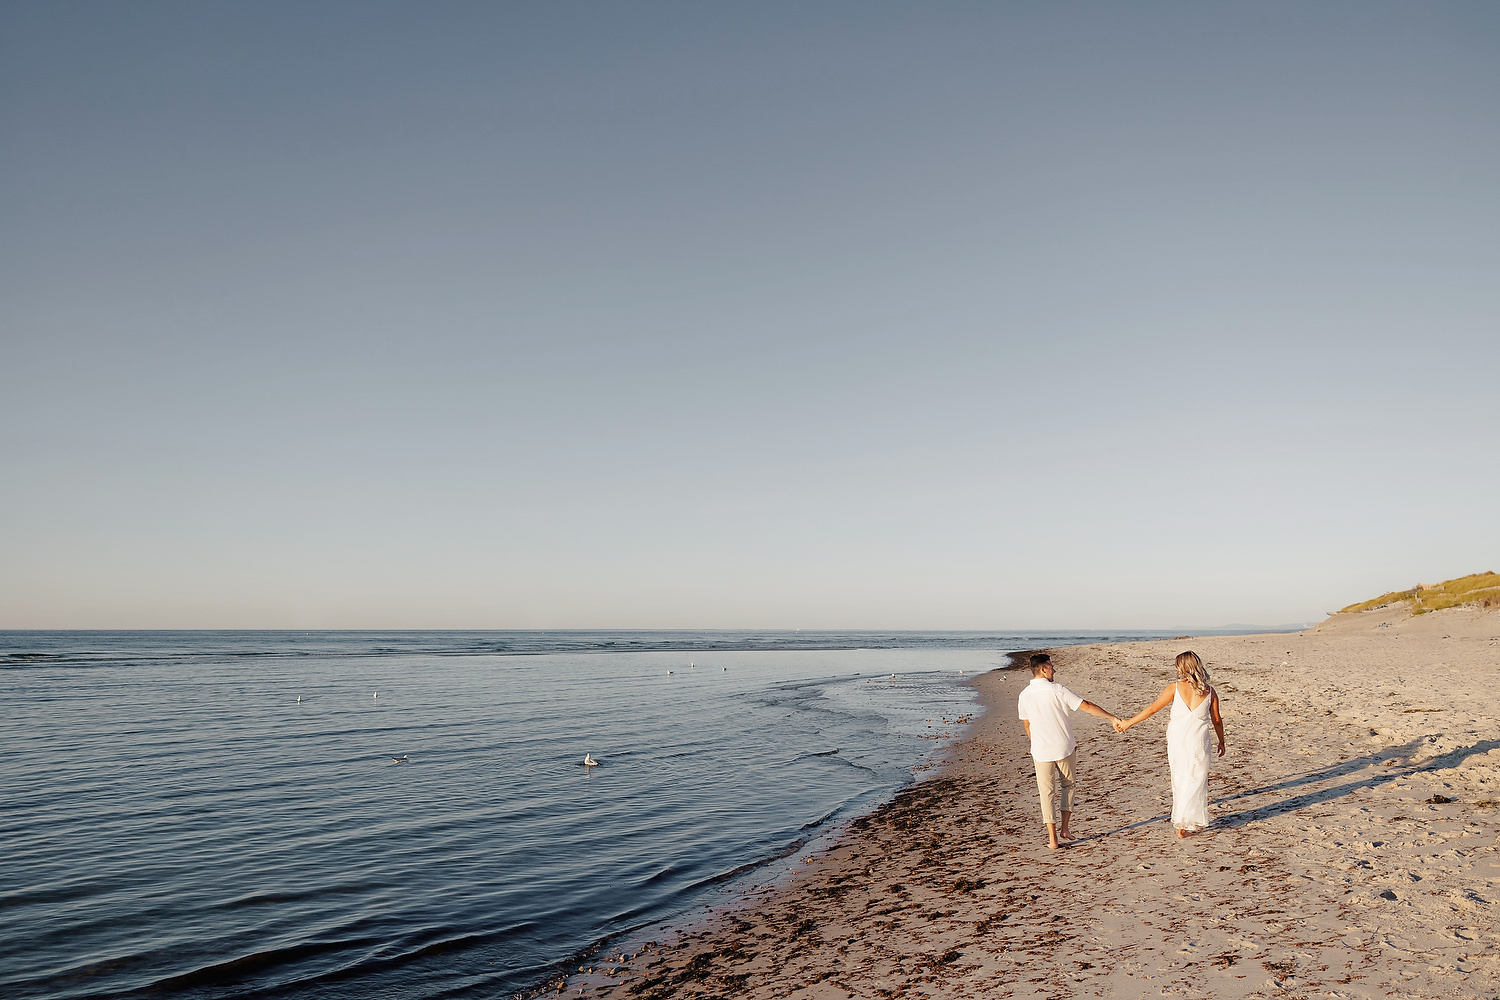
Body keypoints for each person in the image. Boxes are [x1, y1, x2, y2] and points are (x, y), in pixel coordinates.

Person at [1115, 650, 1226, 838]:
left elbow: (1151, 709)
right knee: (1197, 780)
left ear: (1182, 668)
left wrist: (1127, 723)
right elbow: (1217, 720)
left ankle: (1182, 824)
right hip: (1199, 742)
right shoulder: (1210, 691)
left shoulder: (1174, 687)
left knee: (1180, 779)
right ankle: (1188, 822)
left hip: (1178, 742)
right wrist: (1222, 741)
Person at [1017, 653, 1122, 849]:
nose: (1054, 669)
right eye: (1051, 666)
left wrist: (1036, 743)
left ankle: (1052, 839)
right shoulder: (1057, 690)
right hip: (1064, 746)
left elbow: (1027, 725)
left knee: (1046, 793)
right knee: (1068, 786)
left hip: (1040, 750)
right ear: (1043, 669)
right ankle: (1065, 828)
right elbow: (1087, 707)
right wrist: (1111, 718)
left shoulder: (1024, 695)